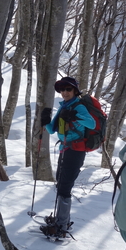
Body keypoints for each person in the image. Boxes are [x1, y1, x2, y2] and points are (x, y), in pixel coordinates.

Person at [39, 76, 97, 235]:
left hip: (76, 152)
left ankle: (61, 227)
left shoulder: (78, 107)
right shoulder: (64, 107)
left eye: (68, 89)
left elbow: (91, 124)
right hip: (64, 150)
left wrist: (74, 116)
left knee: (64, 188)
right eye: (62, 90)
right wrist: (46, 121)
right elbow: (52, 130)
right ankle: (62, 220)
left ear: (75, 90)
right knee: (61, 184)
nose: (65, 92)